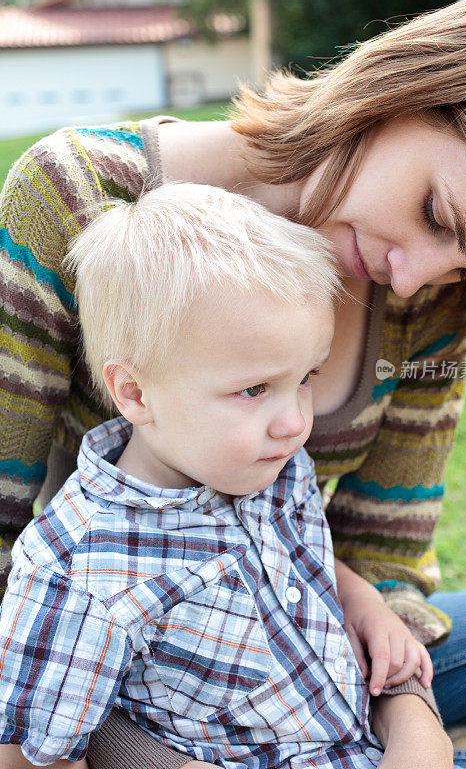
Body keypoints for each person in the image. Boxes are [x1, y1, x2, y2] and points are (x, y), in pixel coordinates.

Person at [0, 0, 466, 769]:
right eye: (434, 215)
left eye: (464, 266)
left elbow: (382, 556)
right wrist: (135, 751)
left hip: (318, 660)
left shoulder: (429, 301)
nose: (414, 279)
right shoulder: (78, 198)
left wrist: (408, 715)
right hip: (139, 685)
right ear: (402, 93)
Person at [0, 182, 435, 768]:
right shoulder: (79, 577)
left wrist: (363, 603)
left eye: (306, 376)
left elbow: (288, 557)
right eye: (253, 389)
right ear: (133, 391)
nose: (293, 422)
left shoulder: (264, 466)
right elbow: (32, 755)